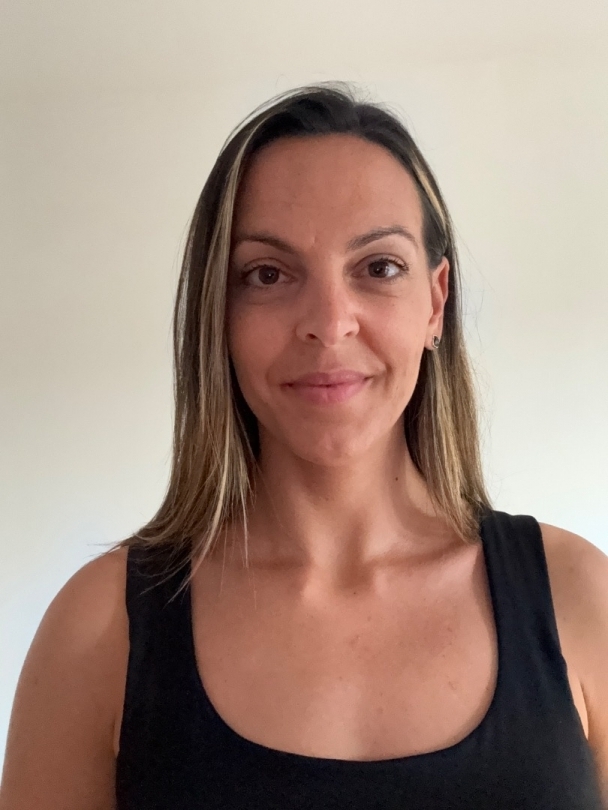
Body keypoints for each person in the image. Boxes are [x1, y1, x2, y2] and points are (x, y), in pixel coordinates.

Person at [1, 83, 607, 810]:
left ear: (436, 302)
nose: (328, 322)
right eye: (268, 274)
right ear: (219, 315)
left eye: (378, 267)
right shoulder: (101, 631)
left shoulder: (580, 598)